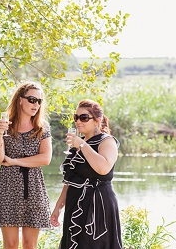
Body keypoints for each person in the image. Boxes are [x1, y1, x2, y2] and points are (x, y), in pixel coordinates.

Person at [50, 100, 122, 249]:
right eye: (76, 117)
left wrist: (82, 145)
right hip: (74, 202)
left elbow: (103, 168)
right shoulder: (78, 143)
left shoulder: (107, 142)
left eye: (83, 117)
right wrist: (58, 206)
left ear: (98, 120)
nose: (78, 121)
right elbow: (70, 179)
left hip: (98, 204)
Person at [0, 83, 52, 249]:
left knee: (29, 245)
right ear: (20, 100)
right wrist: (0, 134)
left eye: (39, 101)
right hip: (8, 188)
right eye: (32, 100)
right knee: (10, 245)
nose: (36, 105)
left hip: (33, 188)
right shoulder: (1, 124)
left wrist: (14, 161)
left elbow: (45, 159)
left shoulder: (42, 127)